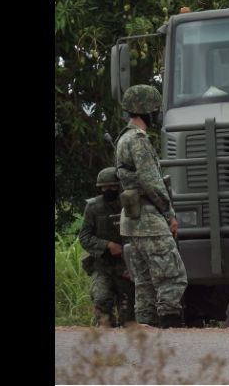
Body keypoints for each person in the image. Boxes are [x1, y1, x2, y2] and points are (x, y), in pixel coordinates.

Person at [115, 84, 187, 328]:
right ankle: (172, 328)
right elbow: (151, 181)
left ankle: (145, 335)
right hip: (148, 220)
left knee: (144, 282)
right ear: (146, 110)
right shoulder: (138, 140)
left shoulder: (123, 138)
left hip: (132, 221)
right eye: (155, 109)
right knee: (172, 276)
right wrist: (169, 213)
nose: (157, 114)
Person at [78, 167, 135, 327]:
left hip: (126, 266)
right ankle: (105, 338)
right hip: (102, 266)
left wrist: (131, 263)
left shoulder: (129, 205)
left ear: (119, 186)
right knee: (102, 301)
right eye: (103, 187)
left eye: (111, 186)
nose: (107, 190)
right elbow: (84, 237)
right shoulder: (93, 207)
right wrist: (107, 245)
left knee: (128, 314)